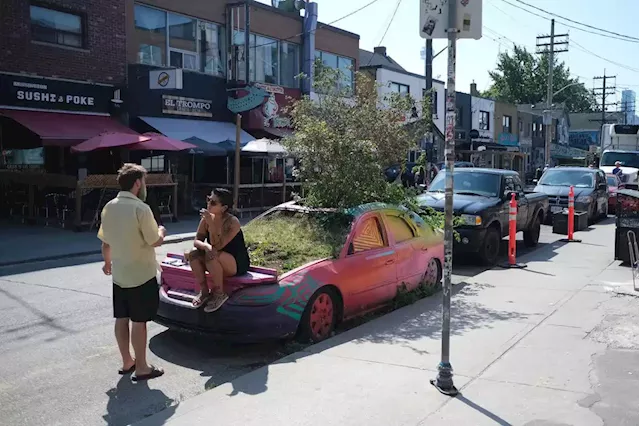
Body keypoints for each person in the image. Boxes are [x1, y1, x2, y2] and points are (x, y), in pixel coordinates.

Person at [98, 163, 165, 382]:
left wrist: (107, 263)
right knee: (139, 321)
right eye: (143, 182)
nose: (144, 186)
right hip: (141, 274)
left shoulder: (109, 207)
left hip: (120, 274)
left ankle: (127, 361)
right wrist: (162, 231)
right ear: (137, 183)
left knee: (121, 317)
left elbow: (106, 243)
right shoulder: (141, 209)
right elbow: (154, 240)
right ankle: (142, 367)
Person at [187, 188, 250, 312]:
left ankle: (219, 293)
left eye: (213, 203)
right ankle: (204, 291)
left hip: (235, 262)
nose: (209, 204)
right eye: (209, 200)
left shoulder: (232, 222)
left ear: (224, 208)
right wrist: (205, 246)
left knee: (212, 255)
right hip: (216, 258)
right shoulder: (206, 219)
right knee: (193, 254)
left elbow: (218, 245)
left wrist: (211, 224)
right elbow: (196, 241)